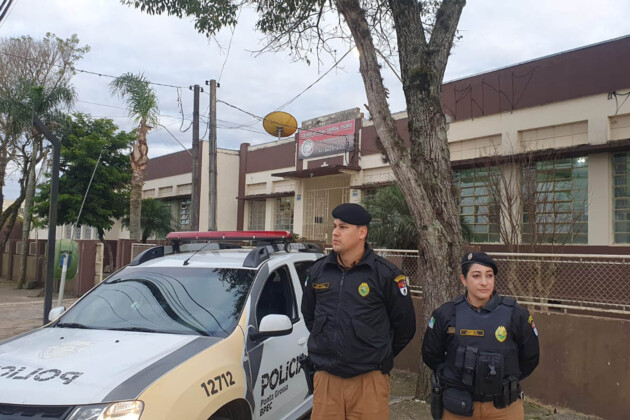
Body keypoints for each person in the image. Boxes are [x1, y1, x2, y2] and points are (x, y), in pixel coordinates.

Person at [301, 203, 416, 420]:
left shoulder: (386, 274)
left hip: (369, 380)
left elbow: (405, 326)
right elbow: (310, 316)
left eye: (343, 227)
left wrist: (376, 355)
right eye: (335, 226)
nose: (335, 232)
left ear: (362, 232)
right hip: (327, 380)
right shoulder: (319, 271)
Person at [422, 252, 540, 420]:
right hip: (458, 407)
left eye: (489, 276)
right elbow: (431, 354)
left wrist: (505, 381)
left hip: (504, 408)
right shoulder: (446, 314)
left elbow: (531, 357)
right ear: (464, 280)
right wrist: (453, 377)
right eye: (476, 276)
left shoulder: (516, 314)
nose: (484, 282)